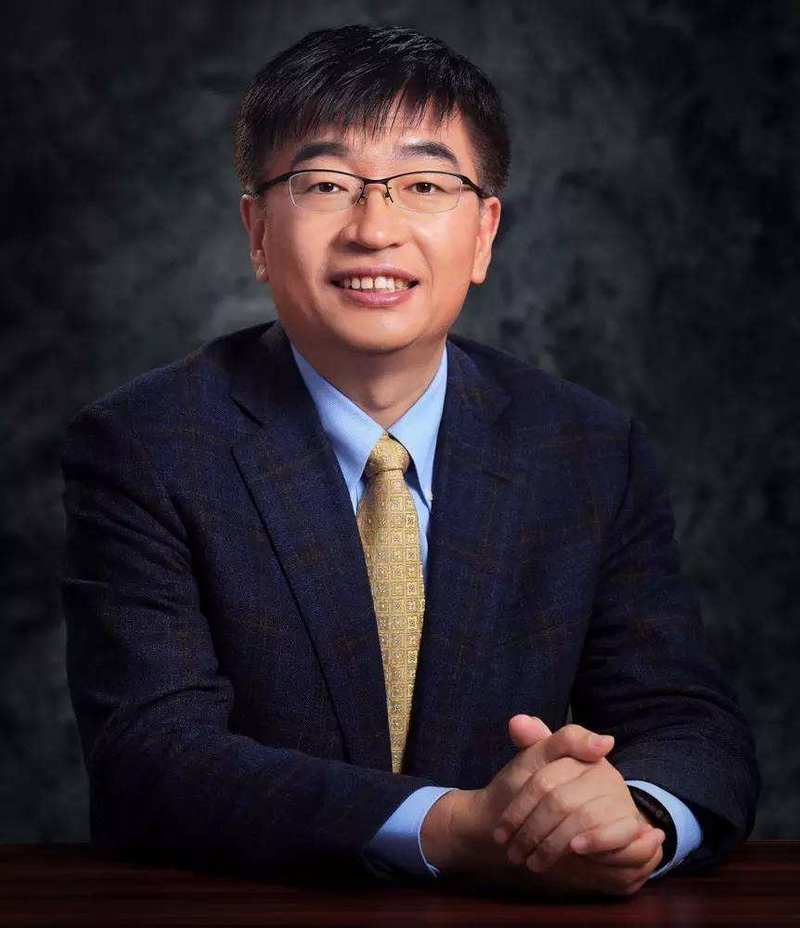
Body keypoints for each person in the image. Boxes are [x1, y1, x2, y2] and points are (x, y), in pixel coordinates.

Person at [60, 24, 759, 899]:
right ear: (257, 231)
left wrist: (635, 816)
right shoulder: (148, 444)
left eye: (425, 185)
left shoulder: (585, 449)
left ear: (484, 234)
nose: (374, 229)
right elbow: (150, 756)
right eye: (326, 185)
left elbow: (690, 726)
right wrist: (447, 826)